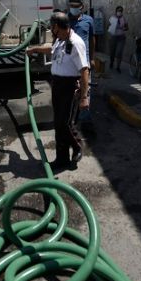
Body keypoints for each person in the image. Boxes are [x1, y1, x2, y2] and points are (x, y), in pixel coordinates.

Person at [27, 12, 90, 170]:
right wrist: (35, 49)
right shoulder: (60, 40)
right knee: (58, 124)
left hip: (69, 87)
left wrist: (84, 97)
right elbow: (52, 50)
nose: (52, 30)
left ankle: (77, 146)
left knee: (65, 124)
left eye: (52, 27)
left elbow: (84, 70)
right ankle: (62, 158)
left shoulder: (76, 43)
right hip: (57, 85)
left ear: (57, 27)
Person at [66, 0, 95, 127]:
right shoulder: (64, 20)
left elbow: (92, 39)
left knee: (85, 90)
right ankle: (69, 119)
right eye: (71, 6)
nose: (73, 8)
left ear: (82, 7)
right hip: (68, 62)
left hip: (84, 62)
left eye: (76, 6)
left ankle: (85, 120)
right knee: (70, 91)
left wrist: (92, 58)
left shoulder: (89, 20)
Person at [107, 6, 129, 72]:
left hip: (121, 37)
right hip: (113, 37)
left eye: (121, 11)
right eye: (118, 11)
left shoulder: (124, 18)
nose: (119, 12)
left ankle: (118, 67)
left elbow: (127, 27)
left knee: (119, 52)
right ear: (116, 11)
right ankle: (111, 62)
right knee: (112, 52)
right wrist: (111, 27)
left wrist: (124, 28)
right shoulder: (112, 18)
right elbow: (107, 26)